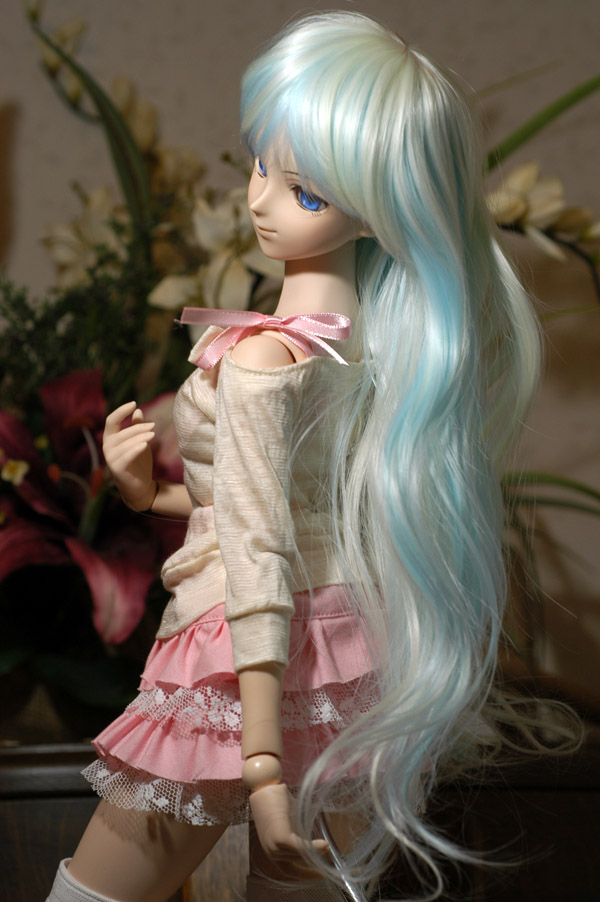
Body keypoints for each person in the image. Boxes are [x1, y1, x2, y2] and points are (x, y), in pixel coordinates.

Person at [46, 10, 542, 902]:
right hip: (344, 650)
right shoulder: (365, 349)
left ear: (381, 213)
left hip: (244, 650)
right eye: (259, 165)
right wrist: (147, 494)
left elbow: (257, 542)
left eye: (304, 192)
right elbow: (277, 501)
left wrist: (264, 769)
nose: (259, 200)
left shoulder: (266, 358)